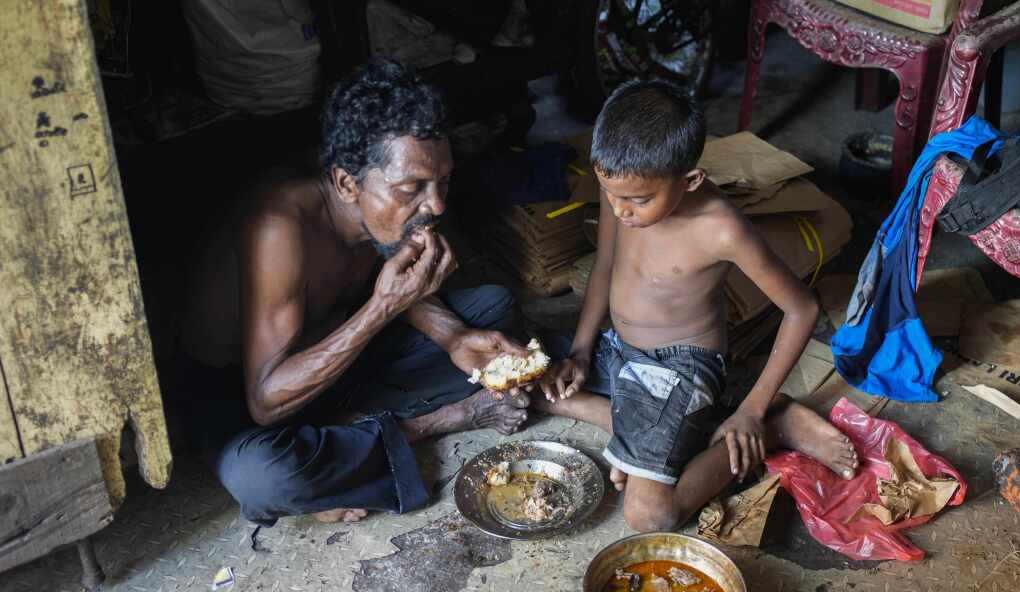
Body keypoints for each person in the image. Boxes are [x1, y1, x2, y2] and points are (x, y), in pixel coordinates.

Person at [179, 59, 531, 526]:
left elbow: (389, 291)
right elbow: (266, 400)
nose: (437, 204)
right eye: (413, 188)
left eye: (443, 182)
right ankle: (434, 422)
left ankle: (350, 439)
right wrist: (383, 307)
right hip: (246, 398)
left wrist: (452, 337)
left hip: (338, 355)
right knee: (265, 478)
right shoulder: (279, 227)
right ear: (347, 183)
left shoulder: (380, 206)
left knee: (494, 308)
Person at [534, 80, 858, 532]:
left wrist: (753, 409)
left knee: (650, 514)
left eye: (638, 200)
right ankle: (643, 432)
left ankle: (772, 426)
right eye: (611, 194)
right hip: (618, 350)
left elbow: (800, 310)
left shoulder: (720, 228)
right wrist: (582, 350)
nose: (620, 209)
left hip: (681, 369)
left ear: (690, 181)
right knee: (529, 384)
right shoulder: (621, 190)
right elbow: (604, 266)